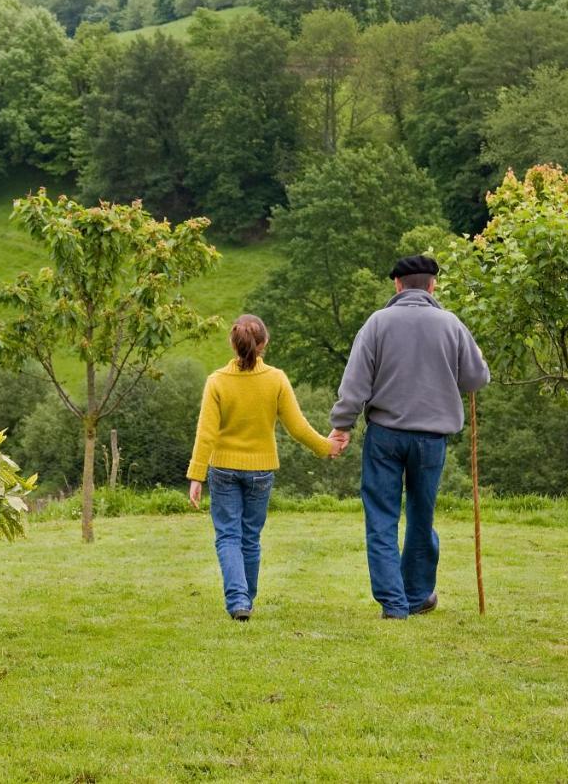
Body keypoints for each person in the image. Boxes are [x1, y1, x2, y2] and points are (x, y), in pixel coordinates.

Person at [329, 255, 489, 620]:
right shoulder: (451, 324)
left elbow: (354, 384)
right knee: (421, 515)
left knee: (382, 518)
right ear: (432, 286)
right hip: (431, 440)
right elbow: (477, 379)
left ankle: (393, 604)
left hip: (385, 436)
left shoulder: (377, 324)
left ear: (398, 285)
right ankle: (416, 595)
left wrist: (342, 426)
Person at [187, 315, 343, 620]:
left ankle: (238, 601)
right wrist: (327, 447)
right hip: (261, 471)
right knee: (250, 537)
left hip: (223, 470)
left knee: (228, 536)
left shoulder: (217, 381)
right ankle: (247, 598)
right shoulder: (276, 379)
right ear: (264, 344)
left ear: (233, 344)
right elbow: (297, 428)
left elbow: (206, 434)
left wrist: (196, 475)